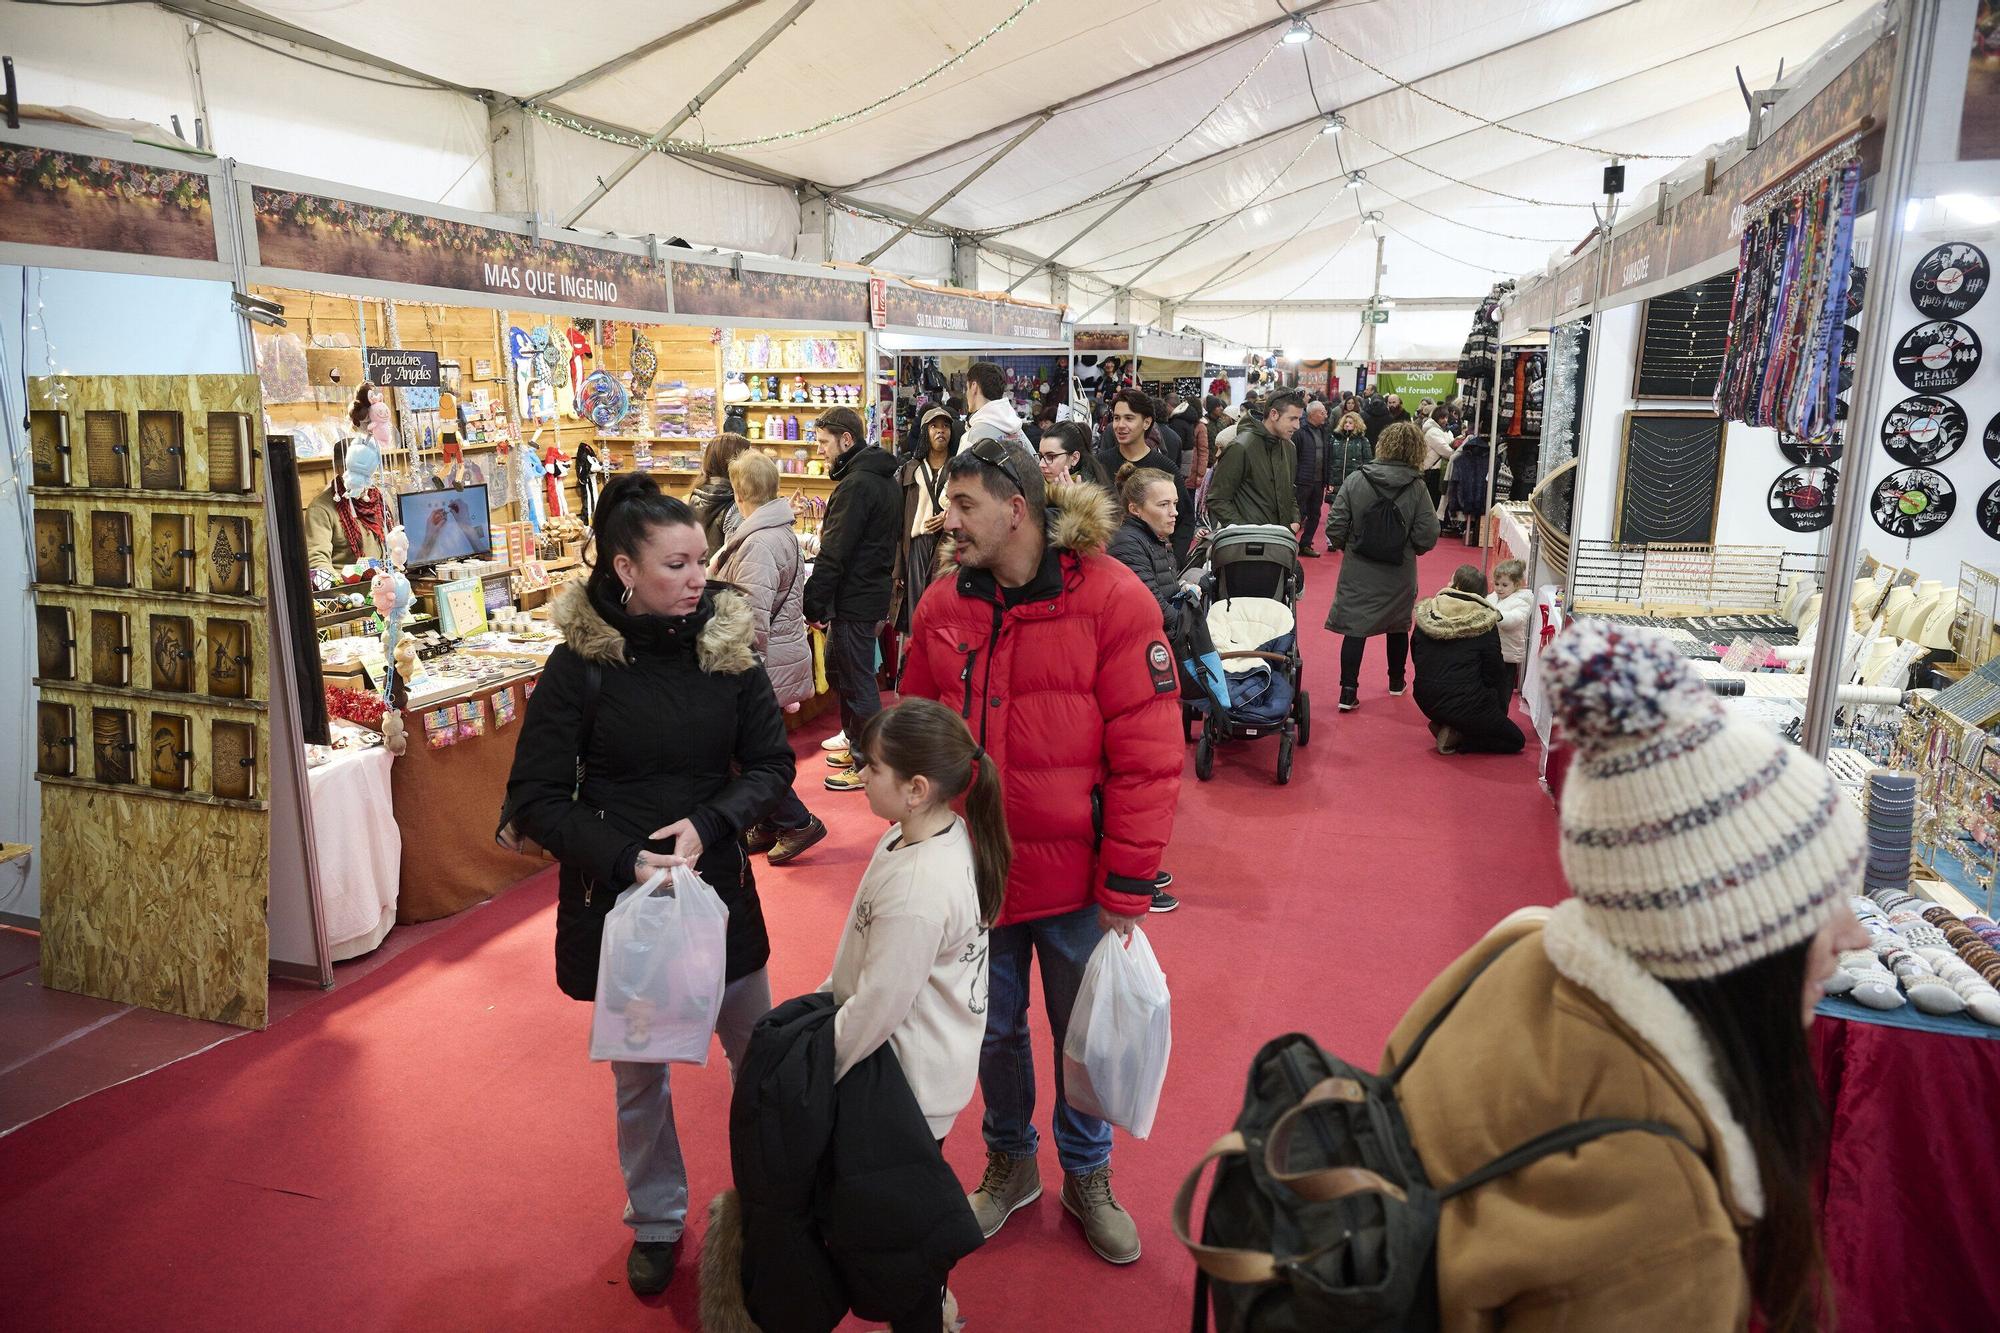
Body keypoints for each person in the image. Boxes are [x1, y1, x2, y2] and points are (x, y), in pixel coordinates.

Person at [1384, 620, 1868, 1333]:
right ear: (1736, 936)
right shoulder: (1669, 1219)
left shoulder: (1516, 949)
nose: (1854, 939)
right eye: (1828, 905)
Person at [500, 473, 795, 1297]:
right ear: (625, 568)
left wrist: (712, 823)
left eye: (702, 558)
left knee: (758, 1056)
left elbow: (773, 765)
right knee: (639, 1074)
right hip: (621, 904)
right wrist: (627, 857)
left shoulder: (727, 647)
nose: (701, 576)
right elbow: (535, 798)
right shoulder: (579, 666)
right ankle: (658, 1217)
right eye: (679, 563)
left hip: (720, 888)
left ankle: (771, 1204)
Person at [901, 436, 1182, 1265]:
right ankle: (1011, 1159)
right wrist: (914, 837)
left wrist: (1127, 880)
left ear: (1016, 509)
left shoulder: (1116, 599)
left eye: (962, 507)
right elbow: (917, 729)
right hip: (974, 877)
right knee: (991, 1032)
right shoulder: (944, 604)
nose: (945, 521)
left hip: (1074, 881)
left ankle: (1088, 1173)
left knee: (1081, 1034)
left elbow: (1150, 752)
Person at [819, 697, 1012, 1331]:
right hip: (920, 1067)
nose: (860, 773)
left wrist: (816, 1067)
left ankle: (927, 1311)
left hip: (904, 1083)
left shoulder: (919, 887)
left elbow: (879, 1004)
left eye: (869, 767)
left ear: (916, 788)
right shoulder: (924, 834)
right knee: (907, 1207)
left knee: (895, 1227)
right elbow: (862, 957)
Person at [712, 451, 826, 864]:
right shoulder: (777, 533)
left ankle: (796, 821)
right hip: (776, 655)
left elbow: (750, 614)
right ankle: (771, 820)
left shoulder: (758, 541)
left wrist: (738, 669)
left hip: (759, 662)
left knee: (750, 754)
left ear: (740, 492)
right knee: (755, 750)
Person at [803, 407, 902, 794]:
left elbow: (834, 552)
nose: (820, 451)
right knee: (845, 672)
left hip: (855, 598)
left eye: (824, 443)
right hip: (866, 594)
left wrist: (813, 603)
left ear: (847, 440)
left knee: (857, 680)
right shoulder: (879, 478)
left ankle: (870, 763)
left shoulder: (858, 484)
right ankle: (858, 747)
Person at [1323, 420, 1440, 713]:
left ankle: (1347, 691)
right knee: (1398, 624)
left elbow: (1335, 523)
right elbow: (1428, 533)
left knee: (1355, 627)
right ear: (1416, 450)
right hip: (1398, 568)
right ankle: (1396, 681)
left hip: (1358, 566)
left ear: (1382, 444)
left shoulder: (1356, 479)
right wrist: (1411, 547)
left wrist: (1344, 544)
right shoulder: (1417, 487)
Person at [1409, 564, 1524, 755]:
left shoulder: (1427, 612)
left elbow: (1415, 653)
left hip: (1424, 697)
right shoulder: (1485, 622)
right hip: (1466, 703)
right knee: (1515, 740)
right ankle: (1461, 737)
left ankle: (1451, 724)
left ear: (1456, 586)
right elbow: (1494, 672)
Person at [1094, 389, 1195, 561]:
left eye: (1129, 418)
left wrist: (1173, 562)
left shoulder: (1164, 467)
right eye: (1117, 418)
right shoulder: (1099, 464)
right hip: (1108, 563)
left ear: (1147, 422)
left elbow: (1185, 519)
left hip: (1152, 565)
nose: (1120, 425)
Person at [893, 406, 957, 637]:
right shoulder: (910, 469)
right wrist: (898, 567)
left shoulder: (958, 468)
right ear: (924, 432)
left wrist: (949, 516)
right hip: (917, 546)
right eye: (934, 426)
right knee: (917, 607)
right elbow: (899, 523)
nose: (941, 431)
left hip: (948, 547)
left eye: (946, 425)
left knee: (943, 606)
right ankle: (915, 661)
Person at [1206, 390, 1303, 533]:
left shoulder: (1289, 448)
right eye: (1292, 419)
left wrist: (1295, 519)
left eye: (1299, 419)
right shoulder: (1241, 447)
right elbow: (1217, 499)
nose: (1297, 426)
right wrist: (1246, 531)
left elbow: (1289, 490)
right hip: (1247, 546)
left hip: (1280, 541)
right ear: (1274, 414)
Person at [304, 438, 387, 582]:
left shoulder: (380, 498)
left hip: (385, 582)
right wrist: (343, 590)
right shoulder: (321, 509)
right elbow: (317, 561)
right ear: (338, 469)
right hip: (349, 591)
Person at [690, 433, 753, 558]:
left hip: (702, 573)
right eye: (749, 458)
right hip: (723, 575)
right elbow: (742, 557)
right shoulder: (735, 504)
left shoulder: (696, 494)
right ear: (735, 462)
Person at [1489, 558, 1533, 695]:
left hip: (1507, 655)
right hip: (1491, 652)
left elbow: (1514, 619)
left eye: (1504, 585)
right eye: (1496, 584)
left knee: (1503, 691)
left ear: (1517, 584)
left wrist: (1498, 616)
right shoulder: (1491, 597)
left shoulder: (1522, 602)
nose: (1499, 588)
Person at [962, 362, 1028, 450]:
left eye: (967, 388)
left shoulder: (972, 438)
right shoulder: (1018, 431)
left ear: (974, 387)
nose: (966, 394)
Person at [1293, 400, 1330, 556]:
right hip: (1302, 481)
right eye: (1322, 412)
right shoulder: (1299, 431)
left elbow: (1327, 456)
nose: (1325, 415)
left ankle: (1305, 544)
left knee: (1315, 514)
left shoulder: (1323, 431)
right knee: (1298, 514)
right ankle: (1289, 544)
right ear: (1313, 414)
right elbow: (1293, 457)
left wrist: (1327, 479)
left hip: (1318, 481)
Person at [1037, 419, 1108, 488]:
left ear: (1074, 458)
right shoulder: (1035, 488)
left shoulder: (1095, 496)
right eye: (1040, 456)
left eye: (1050, 457)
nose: (1041, 464)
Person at [1420, 405, 1459, 507]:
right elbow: (1446, 451)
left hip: (1441, 471)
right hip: (1433, 472)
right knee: (1433, 503)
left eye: (1446, 417)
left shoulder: (1447, 431)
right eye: (1442, 417)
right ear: (1436, 417)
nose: (1444, 420)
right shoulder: (1432, 432)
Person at [1327, 408, 1373, 493]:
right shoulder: (1335, 439)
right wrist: (1330, 481)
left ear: (1357, 424)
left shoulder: (1363, 441)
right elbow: (1330, 462)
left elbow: (1367, 463)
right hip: (1336, 483)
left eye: (1350, 423)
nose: (1347, 424)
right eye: (1345, 422)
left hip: (1355, 483)